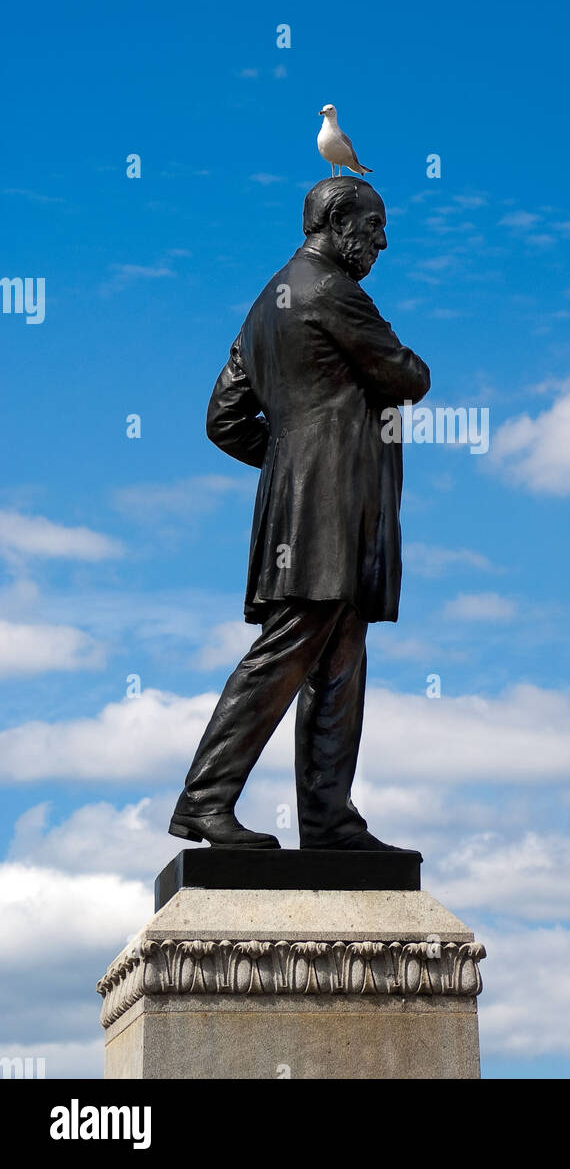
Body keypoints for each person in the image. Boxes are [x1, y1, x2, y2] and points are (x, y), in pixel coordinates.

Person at [169, 177, 430, 850]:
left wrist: (290, 466)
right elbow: (408, 376)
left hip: (314, 507)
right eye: (373, 225)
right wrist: (315, 473)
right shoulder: (331, 291)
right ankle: (204, 800)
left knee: (339, 660)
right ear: (339, 220)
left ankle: (328, 820)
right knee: (286, 654)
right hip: (330, 512)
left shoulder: (265, 305)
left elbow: (224, 420)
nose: (381, 240)